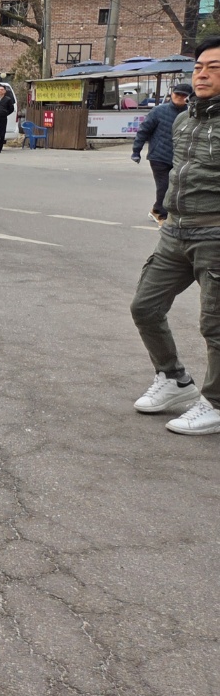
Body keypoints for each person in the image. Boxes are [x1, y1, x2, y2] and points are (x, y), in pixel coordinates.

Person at [131, 40, 220, 436]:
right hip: (177, 228)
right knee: (145, 307)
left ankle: (216, 403)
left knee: (216, 325)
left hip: (215, 232)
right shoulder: (185, 118)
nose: (202, 74)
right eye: (199, 67)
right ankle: (174, 379)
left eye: (214, 68)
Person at [132, 81, 192, 224]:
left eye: (184, 95)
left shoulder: (190, 113)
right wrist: (136, 151)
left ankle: (158, 210)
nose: (180, 97)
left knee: (176, 187)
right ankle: (161, 214)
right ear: (172, 94)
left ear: (189, 98)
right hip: (158, 156)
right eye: (177, 94)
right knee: (164, 186)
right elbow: (144, 130)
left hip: (179, 157)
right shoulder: (158, 111)